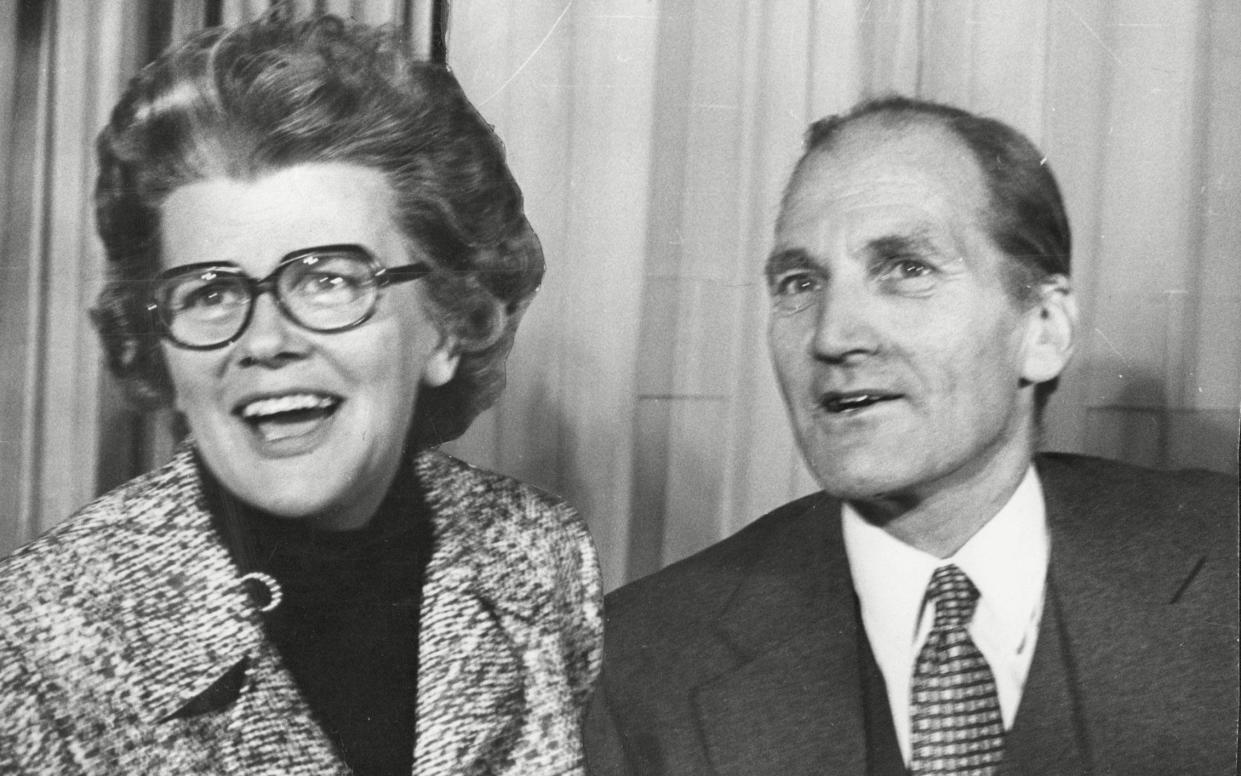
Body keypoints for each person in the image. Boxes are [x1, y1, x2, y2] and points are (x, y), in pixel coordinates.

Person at [0, 14, 601, 775]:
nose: (264, 341)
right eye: (211, 290)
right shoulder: (34, 637)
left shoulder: (542, 557)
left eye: (327, 279)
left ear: (447, 325)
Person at [584, 96, 1238, 775]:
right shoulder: (642, 663)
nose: (833, 335)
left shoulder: (1224, 568)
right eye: (800, 282)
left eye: (905, 269)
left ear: (1042, 329)